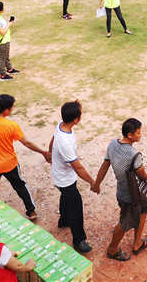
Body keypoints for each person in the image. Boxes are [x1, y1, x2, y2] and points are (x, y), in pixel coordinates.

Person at [92, 118, 147, 261]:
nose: (140, 135)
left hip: (123, 191)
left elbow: (105, 165)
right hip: (131, 195)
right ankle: (112, 249)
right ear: (130, 135)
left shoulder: (113, 144)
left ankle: (137, 242)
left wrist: (97, 183)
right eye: (138, 133)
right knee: (124, 223)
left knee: (145, 207)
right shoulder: (134, 155)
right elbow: (143, 175)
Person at [0, 94, 51, 220]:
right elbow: (27, 143)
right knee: (20, 186)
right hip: (9, 164)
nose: (12, 109)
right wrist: (43, 152)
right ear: (6, 110)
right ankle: (31, 211)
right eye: (12, 108)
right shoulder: (11, 125)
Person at [48, 100, 94, 253]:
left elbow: (53, 139)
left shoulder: (61, 125)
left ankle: (63, 220)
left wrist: (49, 153)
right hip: (64, 179)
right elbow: (78, 167)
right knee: (76, 207)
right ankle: (79, 240)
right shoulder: (65, 142)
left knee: (66, 196)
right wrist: (92, 182)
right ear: (76, 119)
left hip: (62, 176)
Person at [0, 1, 19, 81]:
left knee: (6, 56)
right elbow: (2, 32)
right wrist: (9, 25)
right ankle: (3, 75)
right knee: (2, 58)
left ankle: (9, 69)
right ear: (1, 9)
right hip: (2, 42)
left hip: (4, 41)